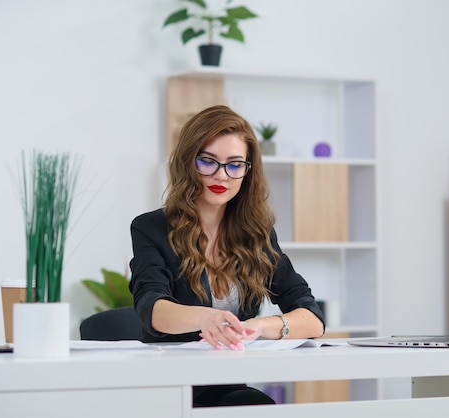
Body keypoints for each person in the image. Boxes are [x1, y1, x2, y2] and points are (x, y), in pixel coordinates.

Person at [129, 104, 325, 407]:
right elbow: (151, 308)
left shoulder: (256, 234)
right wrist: (206, 317)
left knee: (252, 403)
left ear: (247, 172)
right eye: (208, 161)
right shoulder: (151, 228)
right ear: (187, 163)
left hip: (229, 383)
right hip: (170, 387)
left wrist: (260, 328)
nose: (222, 175)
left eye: (235, 164)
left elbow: (312, 319)